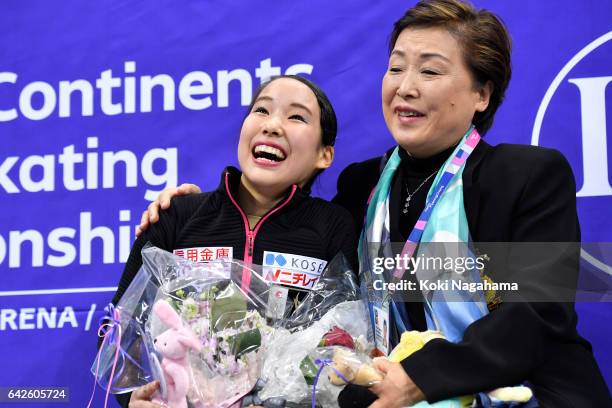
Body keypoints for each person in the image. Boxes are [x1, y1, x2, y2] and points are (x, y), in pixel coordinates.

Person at [138, 1, 610, 407]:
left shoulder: (526, 175)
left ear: (481, 94)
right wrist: (195, 207)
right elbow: (289, 233)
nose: (405, 86)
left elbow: (536, 314)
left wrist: (422, 377)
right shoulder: (362, 185)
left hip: (529, 392)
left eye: (429, 70)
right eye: (396, 66)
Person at [107, 75, 358, 408]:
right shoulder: (177, 216)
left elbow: (343, 341)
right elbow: (121, 329)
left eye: (296, 116)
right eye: (261, 110)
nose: (272, 125)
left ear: (324, 155)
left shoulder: (333, 225)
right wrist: (134, 398)